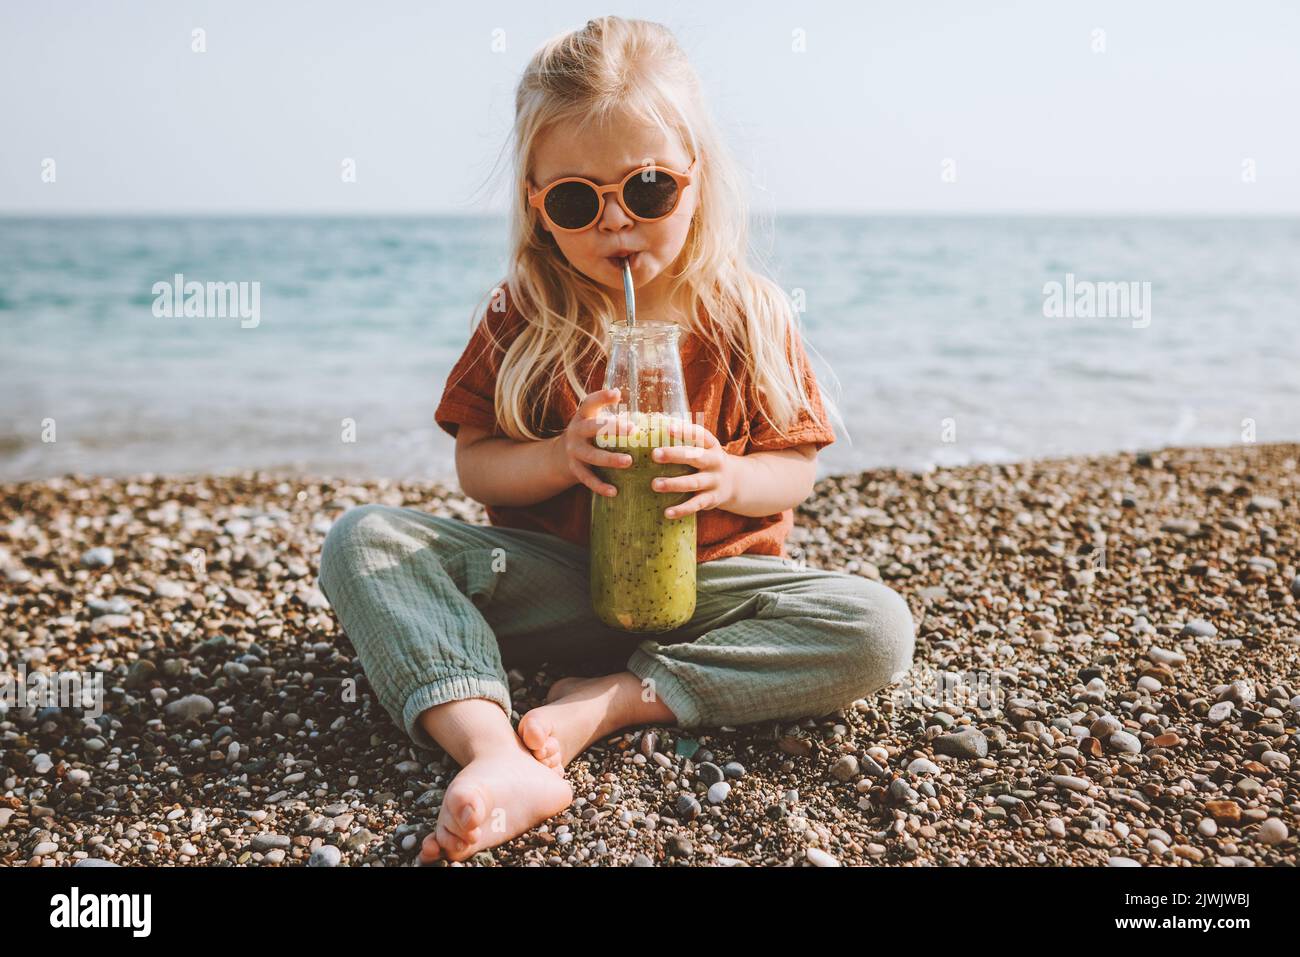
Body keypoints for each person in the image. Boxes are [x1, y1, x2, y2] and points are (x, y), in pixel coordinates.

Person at [317, 15, 915, 864]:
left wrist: (729, 479)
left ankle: (619, 699)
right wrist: (560, 455)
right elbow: (474, 461)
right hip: (554, 588)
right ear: (537, 204)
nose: (615, 224)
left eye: (647, 190)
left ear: (696, 179)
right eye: (575, 200)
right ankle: (491, 748)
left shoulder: (748, 312)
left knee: (877, 625)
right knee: (365, 539)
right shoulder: (522, 314)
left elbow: (794, 469)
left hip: (715, 593)